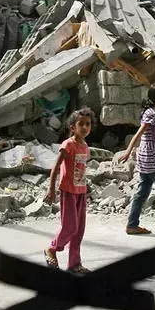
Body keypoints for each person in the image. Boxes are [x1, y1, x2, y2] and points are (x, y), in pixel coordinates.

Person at [119, 83, 155, 236]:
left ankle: (132, 225)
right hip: (151, 158)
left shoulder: (151, 112)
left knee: (143, 191)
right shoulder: (151, 114)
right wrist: (128, 150)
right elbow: (139, 133)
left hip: (145, 157)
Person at [44, 107, 94, 274]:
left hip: (81, 192)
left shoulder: (85, 146)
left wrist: (86, 189)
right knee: (70, 227)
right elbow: (56, 167)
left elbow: (80, 169)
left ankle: (74, 264)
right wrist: (51, 188)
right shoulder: (68, 144)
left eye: (88, 124)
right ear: (73, 127)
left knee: (79, 231)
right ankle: (52, 248)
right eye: (81, 124)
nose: (85, 127)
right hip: (68, 192)